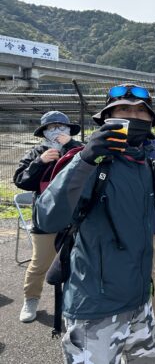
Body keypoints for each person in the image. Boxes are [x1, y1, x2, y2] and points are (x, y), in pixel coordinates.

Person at [35, 84, 155, 363]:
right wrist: (85, 159)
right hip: (94, 310)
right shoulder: (89, 161)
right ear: (107, 119)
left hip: (140, 304)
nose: (132, 116)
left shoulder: (148, 163)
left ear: (151, 121)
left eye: (140, 112)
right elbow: (46, 217)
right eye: (123, 110)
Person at [14, 111, 83, 323]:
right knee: (40, 263)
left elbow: (92, 167)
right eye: (51, 128)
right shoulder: (36, 152)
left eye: (61, 127)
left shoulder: (79, 149)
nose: (56, 131)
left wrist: (71, 146)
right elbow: (21, 180)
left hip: (75, 218)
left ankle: (74, 305)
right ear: (44, 132)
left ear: (69, 130)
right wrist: (40, 162)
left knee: (77, 263)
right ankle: (31, 299)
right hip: (45, 218)